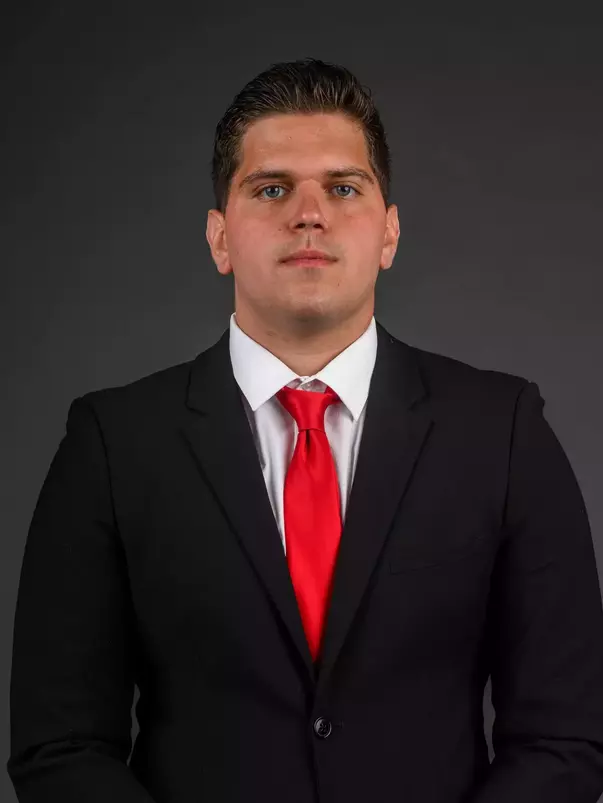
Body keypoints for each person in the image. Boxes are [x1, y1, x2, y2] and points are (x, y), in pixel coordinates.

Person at [7, 57, 603, 803]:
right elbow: (59, 745)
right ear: (219, 238)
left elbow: (563, 739)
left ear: (387, 233)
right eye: (271, 188)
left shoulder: (504, 430)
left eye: (343, 187)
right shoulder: (111, 442)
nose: (309, 211)